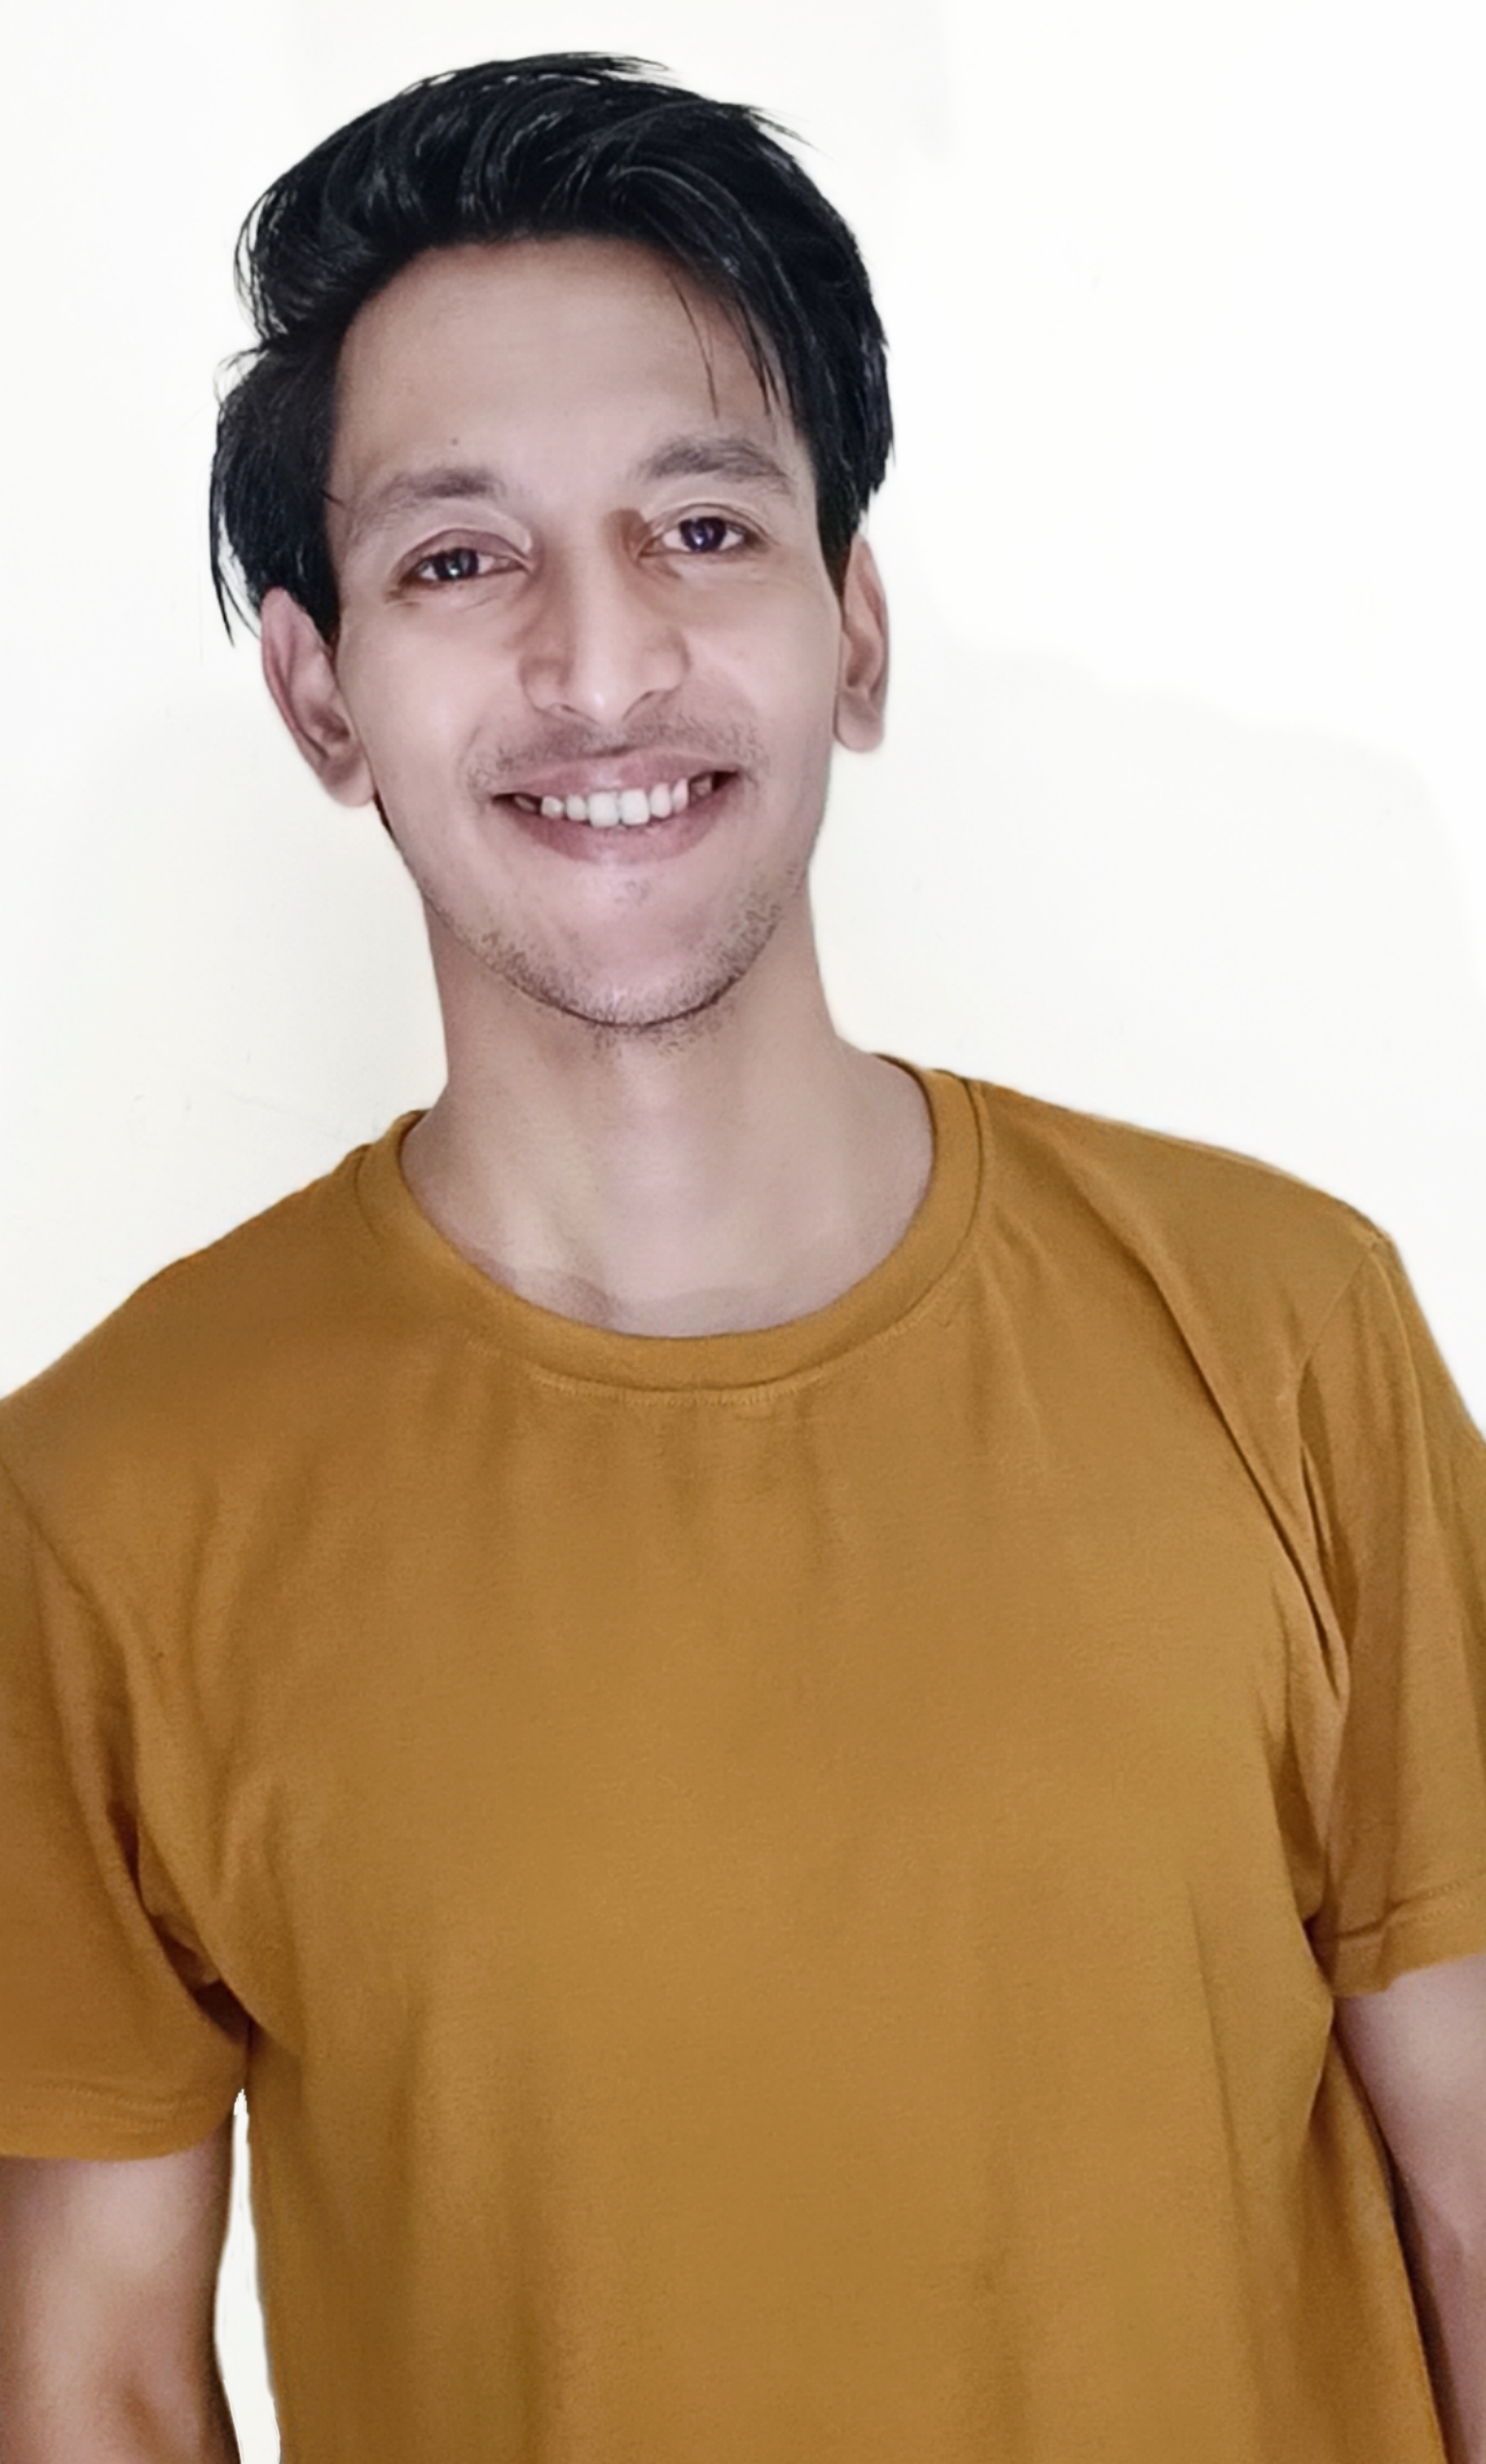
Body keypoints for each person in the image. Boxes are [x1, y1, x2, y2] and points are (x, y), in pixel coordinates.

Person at [1, 49, 1484, 2464]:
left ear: (853, 632)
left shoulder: (1285, 1331)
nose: (601, 668)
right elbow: (94, 2386)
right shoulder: (101, 1509)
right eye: (458, 560)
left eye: (700, 528)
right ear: (317, 694)